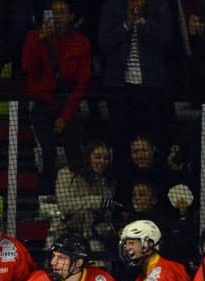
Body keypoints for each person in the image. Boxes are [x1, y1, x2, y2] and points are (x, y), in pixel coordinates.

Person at [21, 0, 91, 192]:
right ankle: (45, 193)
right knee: (48, 151)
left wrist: (65, 117)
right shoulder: (33, 37)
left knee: (73, 151)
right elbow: (26, 67)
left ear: (71, 17)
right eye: (54, 13)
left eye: (62, 13)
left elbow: (82, 84)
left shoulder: (81, 42)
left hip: (68, 104)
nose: (57, 17)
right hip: (43, 104)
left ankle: (76, 192)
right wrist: (39, 41)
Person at [98, 0, 173, 159]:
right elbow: (104, 43)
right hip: (119, 86)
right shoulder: (111, 6)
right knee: (121, 139)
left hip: (151, 86)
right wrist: (127, 25)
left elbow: (165, 40)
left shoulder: (160, 6)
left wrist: (142, 22)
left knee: (152, 136)